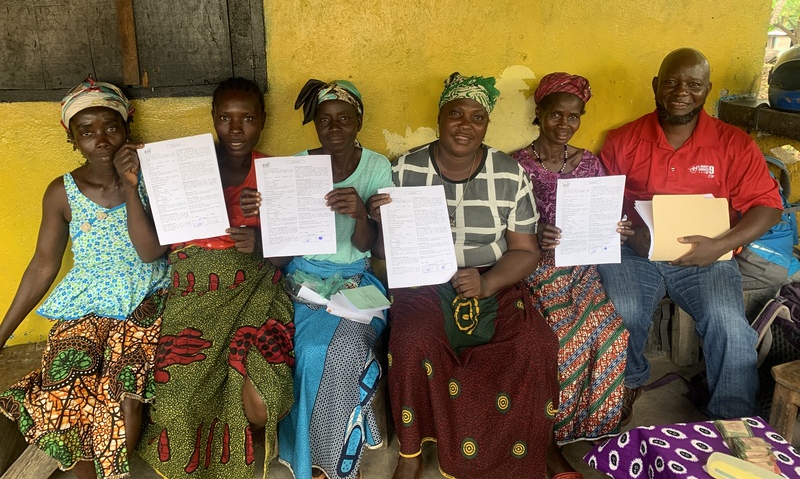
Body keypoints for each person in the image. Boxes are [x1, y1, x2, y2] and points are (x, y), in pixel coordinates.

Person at [369, 72, 577, 479]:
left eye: (477, 117)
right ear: (440, 117)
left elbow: (525, 251)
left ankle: (541, 443)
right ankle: (411, 454)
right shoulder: (404, 170)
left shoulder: (508, 174)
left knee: (536, 344)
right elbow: (380, 251)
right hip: (425, 280)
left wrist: (486, 283)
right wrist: (381, 222)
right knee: (412, 341)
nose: (466, 125)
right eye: (456, 114)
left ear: (486, 124)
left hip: (493, 278)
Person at [598, 48, 783, 423]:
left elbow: (768, 206)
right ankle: (630, 383)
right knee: (624, 312)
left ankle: (733, 423)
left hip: (708, 256)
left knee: (730, 328)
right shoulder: (623, 140)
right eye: (671, 82)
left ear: (707, 90)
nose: (681, 91)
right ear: (656, 86)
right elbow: (603, 203)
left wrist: (721, 245)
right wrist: (633, 238)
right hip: (637, 253)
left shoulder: (734, 144)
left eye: (694, 84)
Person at [0, 78, 169, 479]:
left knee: (121, 391)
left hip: (147, 294)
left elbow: (150, 252)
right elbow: (43, 264)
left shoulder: (151, 179)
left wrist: (131, 185)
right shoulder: (62, 192)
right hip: (87, 300)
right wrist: (3, 333)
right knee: (65, 378)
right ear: (72, 139)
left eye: (111, 127)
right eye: (86, 131)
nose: (101, 139)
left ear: (127, 127)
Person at [138, 77, 295, 478]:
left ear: (262, 120)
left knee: (261, 400)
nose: (236, 129)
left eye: (247, 118)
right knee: (176, 404)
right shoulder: (185, 167)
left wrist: (259, 239)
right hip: (194, 293)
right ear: (213, 119)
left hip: (255, 291)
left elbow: (280, 260)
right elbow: (152, 250)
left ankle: (247, 441)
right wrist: (132, 181)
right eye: (225, 118)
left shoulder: (273, 172)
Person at [245, 79, 390, 479]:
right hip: (301, 280)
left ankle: (335, 453)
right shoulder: (297, 166)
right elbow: (279, 257)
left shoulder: (376, 166)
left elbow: (375, 249)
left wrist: (361, 214)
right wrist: (267, 215)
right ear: (315, 124)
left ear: (359, 120)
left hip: (355, 281)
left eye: (345, 118)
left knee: (342, 348)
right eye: (325, 120)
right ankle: (312, 455)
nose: (335, 127)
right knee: (309, 351)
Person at [510, 72, 629, 443]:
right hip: (536, 267)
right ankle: (554, 429)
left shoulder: (589, 163)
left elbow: (605, 212)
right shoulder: (515, 165)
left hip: (582, 265)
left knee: (612, 332)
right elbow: (503, 226)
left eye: (574, 116)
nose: (565, 124)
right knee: (567, 335)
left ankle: (595, 425)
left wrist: (617, 227)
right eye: (556, 115)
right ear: (539, 112)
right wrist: (535, 235)